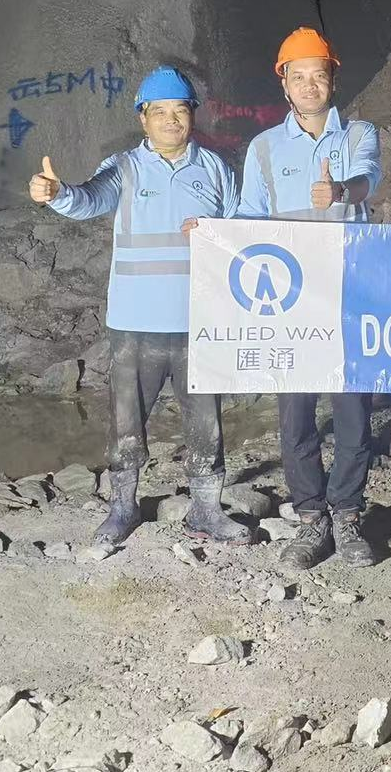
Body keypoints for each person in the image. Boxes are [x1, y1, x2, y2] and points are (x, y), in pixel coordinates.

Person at [29, 65, 248, 549]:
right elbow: (90, 198)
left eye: (180, 110)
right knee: (127, 421)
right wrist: (58, 194)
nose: (171, 119)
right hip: (134, 324)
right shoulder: (124, 167)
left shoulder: (215, 169)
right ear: (142, 118)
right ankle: (123, 507)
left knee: (206, 421)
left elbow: (243, 228)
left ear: (193, 115)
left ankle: (207, 510)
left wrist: (220, 235)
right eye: (159, 111)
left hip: (198, 322)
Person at [239, 27, 383, 570]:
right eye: (297, 77)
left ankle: (346, 513)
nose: (308, 86)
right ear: (284, 84)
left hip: (349, 293)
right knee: (296, 415)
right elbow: (248, 220)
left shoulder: (359, 133)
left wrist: (342, 191)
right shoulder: (263, 148)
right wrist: (207, 234)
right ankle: (310, 517)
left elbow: (368, 178)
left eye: (317, 75)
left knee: (353, 413)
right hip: (290, 302)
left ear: (332, 79)